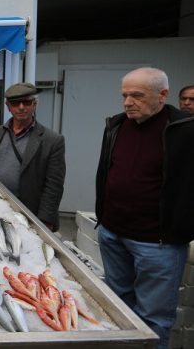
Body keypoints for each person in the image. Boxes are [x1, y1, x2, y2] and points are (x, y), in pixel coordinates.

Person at [95, 67, 194, 349]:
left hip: (158, 243)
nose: (127, 102)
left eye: (136, 96)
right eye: (125, 95)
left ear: (162, 95)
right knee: (117, 307)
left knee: (153, 319)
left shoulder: (184, 130)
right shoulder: (115, 125)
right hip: (112, 233)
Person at [0, 83, 66, 231]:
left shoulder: (52, 140)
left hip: (30, 213)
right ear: (8, 106)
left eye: (27, 102)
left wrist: (45, 221)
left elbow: (54, 186)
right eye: (16, 103)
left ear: (34, 104)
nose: (21, 107)